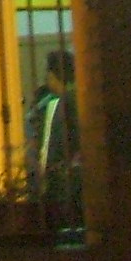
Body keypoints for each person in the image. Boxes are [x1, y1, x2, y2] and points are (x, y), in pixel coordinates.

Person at [25, 49, 82, 231]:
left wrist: (42, 178)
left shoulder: (57, 103)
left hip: (60, 185)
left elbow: (50, 148)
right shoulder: (83, 99)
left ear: (52, 75)